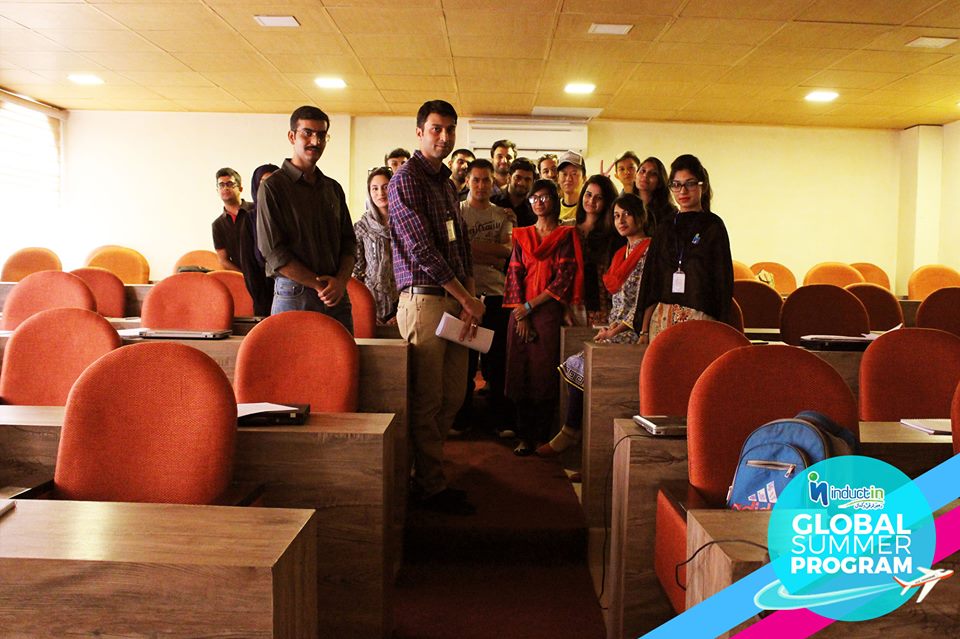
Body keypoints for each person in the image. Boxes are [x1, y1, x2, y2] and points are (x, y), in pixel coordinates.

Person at [389, 99, 485, 515]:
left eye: (450, 129)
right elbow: (422, 249)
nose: (444, 137)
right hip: (424, 299)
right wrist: (465, 297)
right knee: (427, 400)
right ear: (419, 132)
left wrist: (472, 298)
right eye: (435, 129)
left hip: (457, 299)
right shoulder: (405, 180)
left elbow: (461, 246)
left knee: (453, 397)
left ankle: (425, 474)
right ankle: (428, 485)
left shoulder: (447, 183)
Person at [540, 193, 652, 456]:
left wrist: (617, 329)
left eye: (627, 214)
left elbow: (645, 298)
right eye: (616, 215)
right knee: (575, 362)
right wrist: (608, 326)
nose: (621, 220)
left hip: (634, 330)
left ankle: (571, 432)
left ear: (640, 216)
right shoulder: (620, 253)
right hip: (615, 326)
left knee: (581, 363)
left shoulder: (649, 251)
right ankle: (575, 433)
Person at [257, 105, 356, 332]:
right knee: (293, 356)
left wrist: (340, 282)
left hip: (336, 294)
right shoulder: (272, 187)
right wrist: (317, 284)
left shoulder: (332, 188)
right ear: (292, 137)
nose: (315, 141)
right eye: (307, 133)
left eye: (321, 135)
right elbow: (273, 251)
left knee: (341, 355)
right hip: (294, 293)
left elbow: (349, 243)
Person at [503, 179, 583, 456]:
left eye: (544, 197)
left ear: (555, 199)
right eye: (534, 198)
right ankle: (523, 436)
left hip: (547, 311)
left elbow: (563, 279)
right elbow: (514, 274)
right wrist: (521, 314)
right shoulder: (523, 235)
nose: (538, 202)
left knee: (543, 373)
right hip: (519, 313)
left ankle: (541, 436)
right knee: (519, 372)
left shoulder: (564, 236)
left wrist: (530, 307)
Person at [635, 154, 733, 343]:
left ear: (702, 185)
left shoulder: (713, 226)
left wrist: (721, 331)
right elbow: (652, 280)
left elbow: (722, 283)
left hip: (701, 320)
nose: (683, 190)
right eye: (676, 184)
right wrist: (644, 331)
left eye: (690, 183)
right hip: (662, 321)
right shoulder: (665, 226)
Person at [453, 158, 516, 436]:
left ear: (494, 183)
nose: (481, 185)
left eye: (486, 180)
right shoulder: (457, 211)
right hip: (464, 295)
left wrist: (471, 247)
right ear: (467, 181)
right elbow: (454, 250)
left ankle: (499, 421)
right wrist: (490, 252)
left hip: (496, 295)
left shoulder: (502, 215)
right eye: (476, 179)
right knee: (463, 364)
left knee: (497, 363)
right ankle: (461, 420)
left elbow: (507, 251)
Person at [211, 167, 273, 316]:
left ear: (240, 188)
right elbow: (223, 259)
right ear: (217, 190)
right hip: (244, 278)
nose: (225, 188)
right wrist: (245, 275)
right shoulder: (218, 225)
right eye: (221, 185)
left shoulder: (256, 211)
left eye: (230, 184)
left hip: (269, 273)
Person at [571, 174, 624, 327]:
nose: (591, 201)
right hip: (574, 300)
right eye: (588, 195)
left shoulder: (613, 234)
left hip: (602, 302)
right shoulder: (570, 229)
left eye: (598, 197)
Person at [353, 166, 399, 324]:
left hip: (403, 301)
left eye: (385, 187)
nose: (380, 193)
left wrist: (401, 312)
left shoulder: (405, 223)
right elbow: (356, 271)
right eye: (375, 188)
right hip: (371, 302)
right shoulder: (362, 227)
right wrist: (363, 309)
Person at [246, 163, 279, 315]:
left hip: (290, 288)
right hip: (262, 289)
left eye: (273, 181)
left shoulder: (290, 215)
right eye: (263, 182)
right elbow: (249, 265)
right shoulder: (250, 219)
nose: (268, 186)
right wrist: (260, 298)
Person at [491, 157, 537, 227]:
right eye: (517, 177)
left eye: (527, 179)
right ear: (509, 178)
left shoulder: (535, 209)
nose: (522, 183)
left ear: (533, 182)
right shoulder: (492, 203)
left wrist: (516, 228)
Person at [635, 156, 677, 229]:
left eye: (653, 173)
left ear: (660, 182)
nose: (645, 175)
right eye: (643, 171)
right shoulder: (626, 205)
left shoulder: (669, 212)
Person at [556, 150, 585, 223]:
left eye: (574, 174)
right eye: (564, 174)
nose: (568, 179)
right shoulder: (552, 209)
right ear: (558, 178)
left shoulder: (588, 208)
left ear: (584, 179)